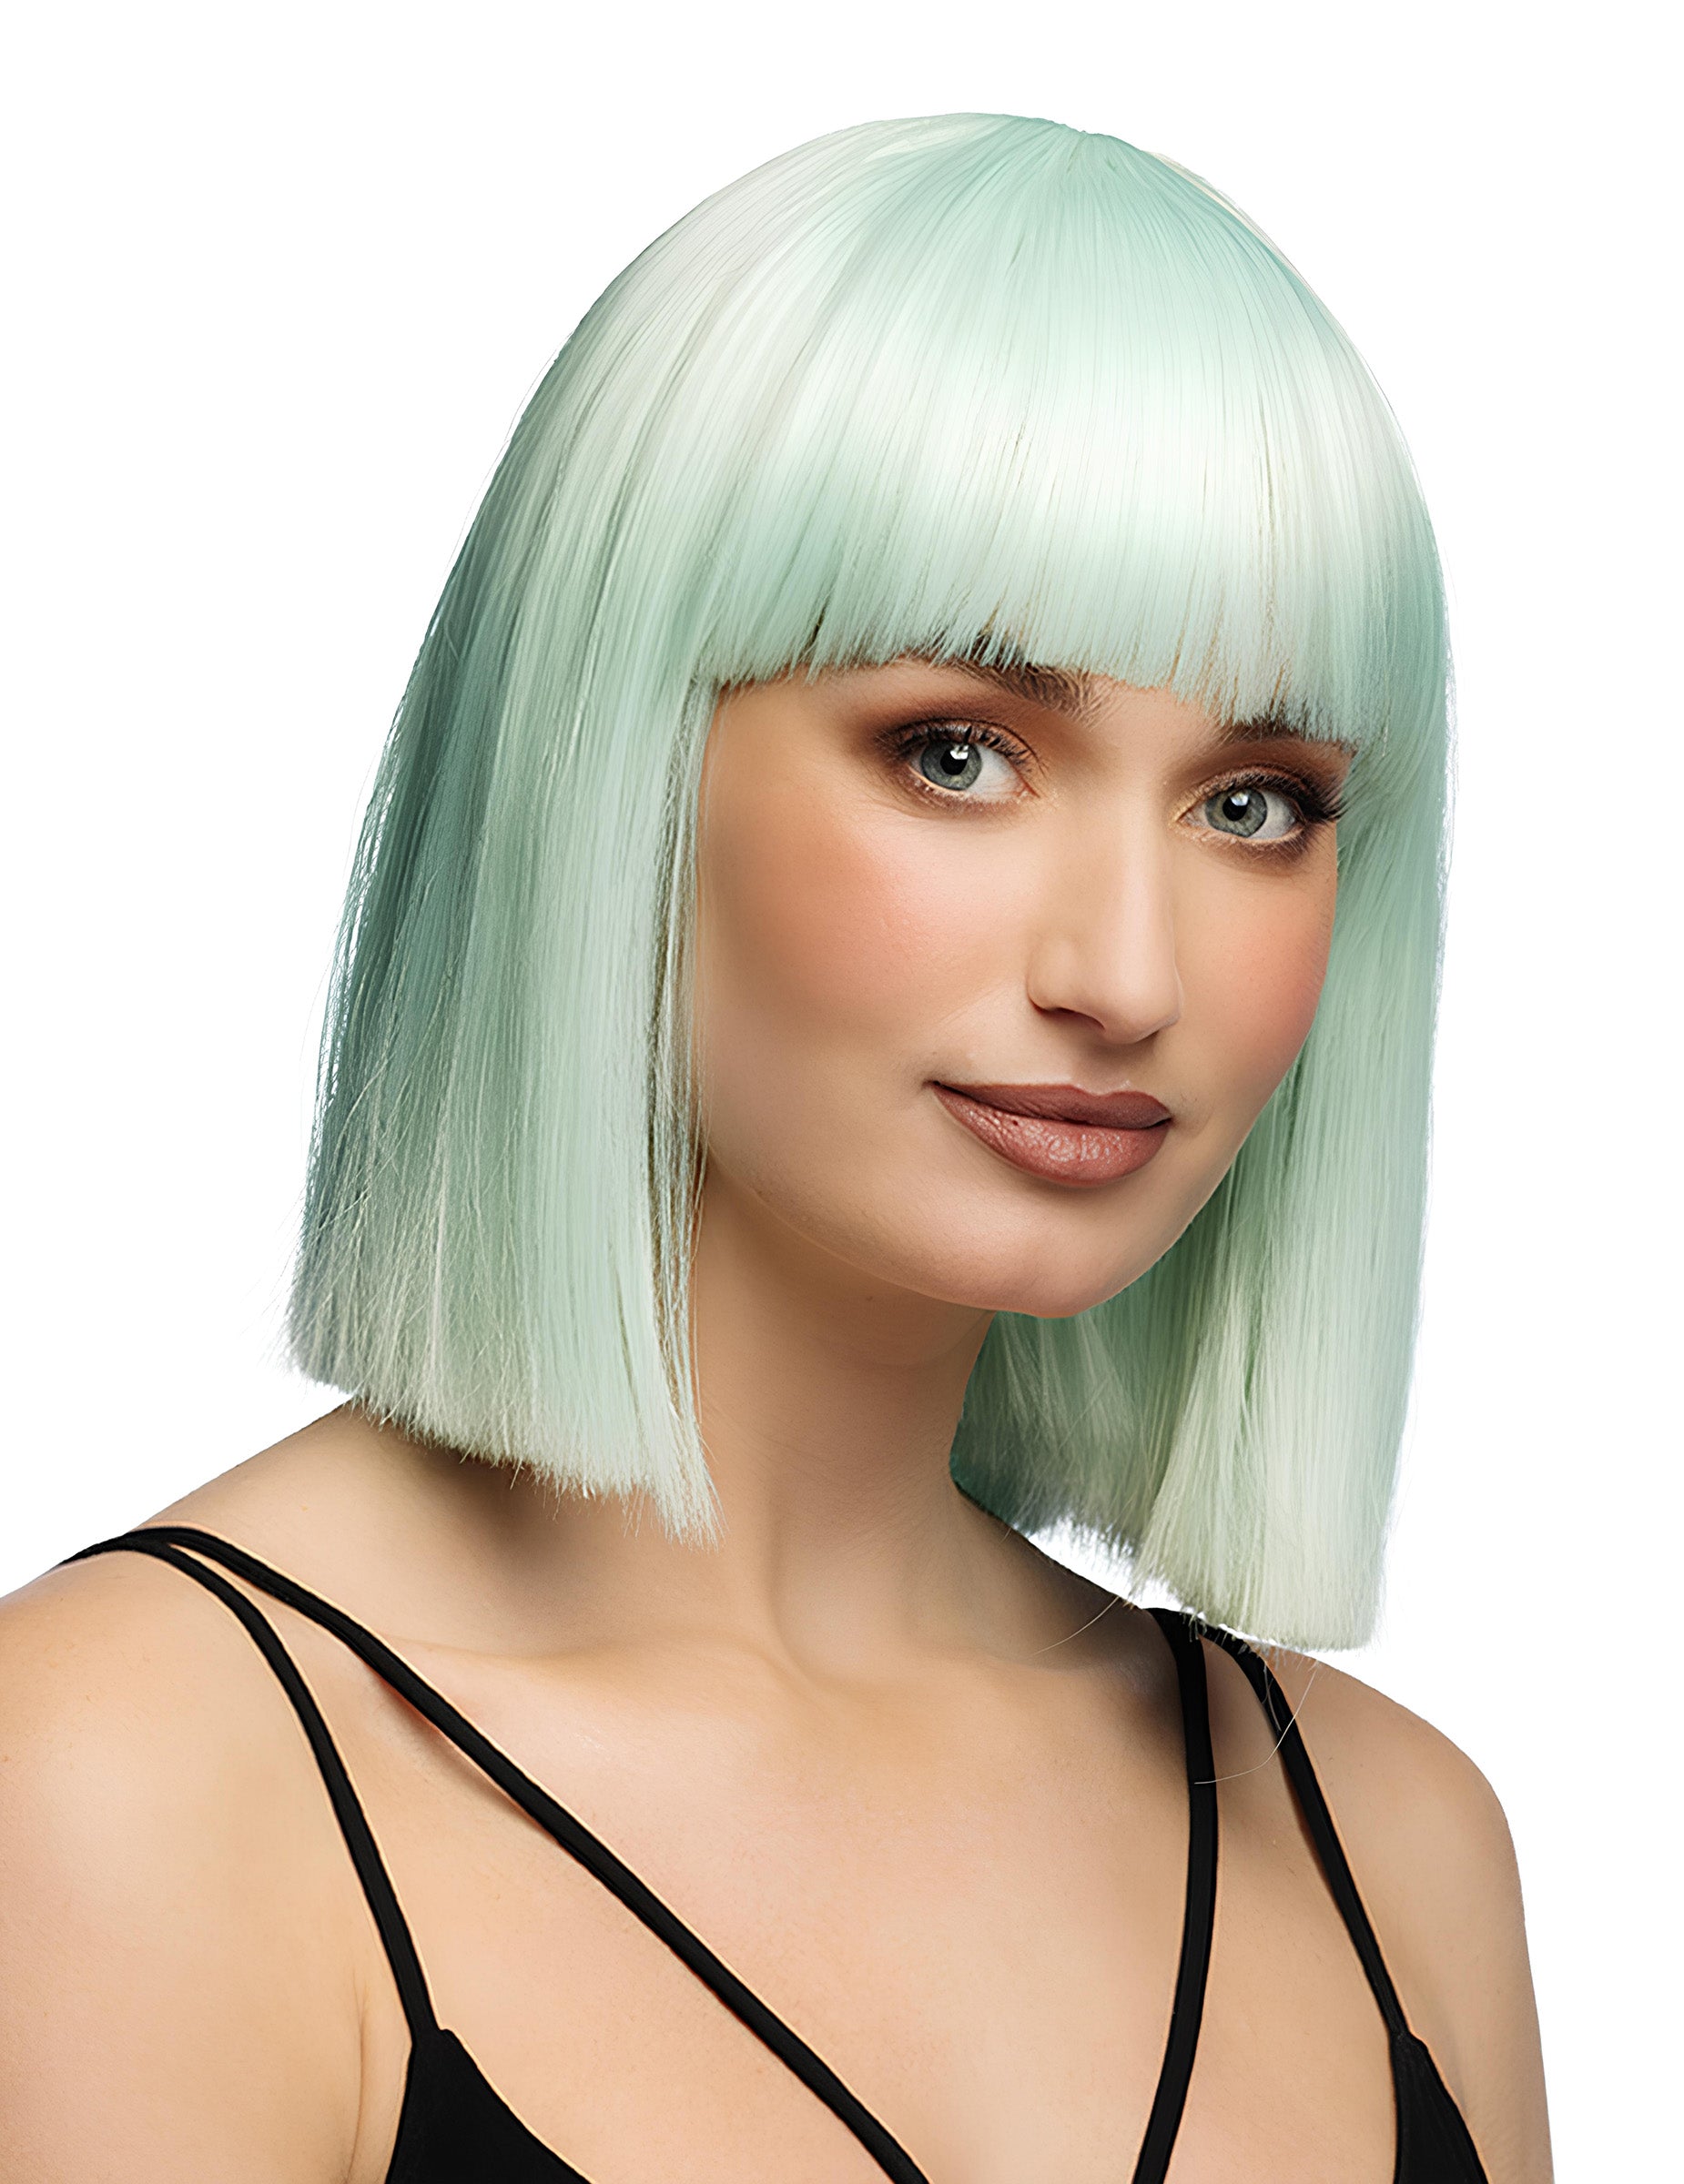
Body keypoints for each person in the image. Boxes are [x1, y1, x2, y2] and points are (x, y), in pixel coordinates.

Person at [0, 114, 1551, 2181]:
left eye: (1252, 802)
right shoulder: (120, 1788)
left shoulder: (1393, 1847)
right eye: (957, 753)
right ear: (609, 767)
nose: (1126, 973)